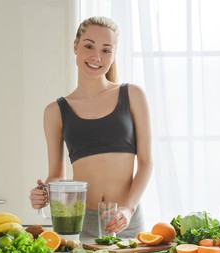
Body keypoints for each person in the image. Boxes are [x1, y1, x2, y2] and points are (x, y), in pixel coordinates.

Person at [29, 16, 153, 238]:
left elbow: (146, 162)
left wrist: (128, 208)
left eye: (106, 50)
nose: (96, 57)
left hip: (125, 221)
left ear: (114, 54)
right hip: (80, 223)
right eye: (88, 46)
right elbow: (56, 175)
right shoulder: (55, 111)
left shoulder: (132, 95)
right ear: (76, 47)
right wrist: (45, 192)